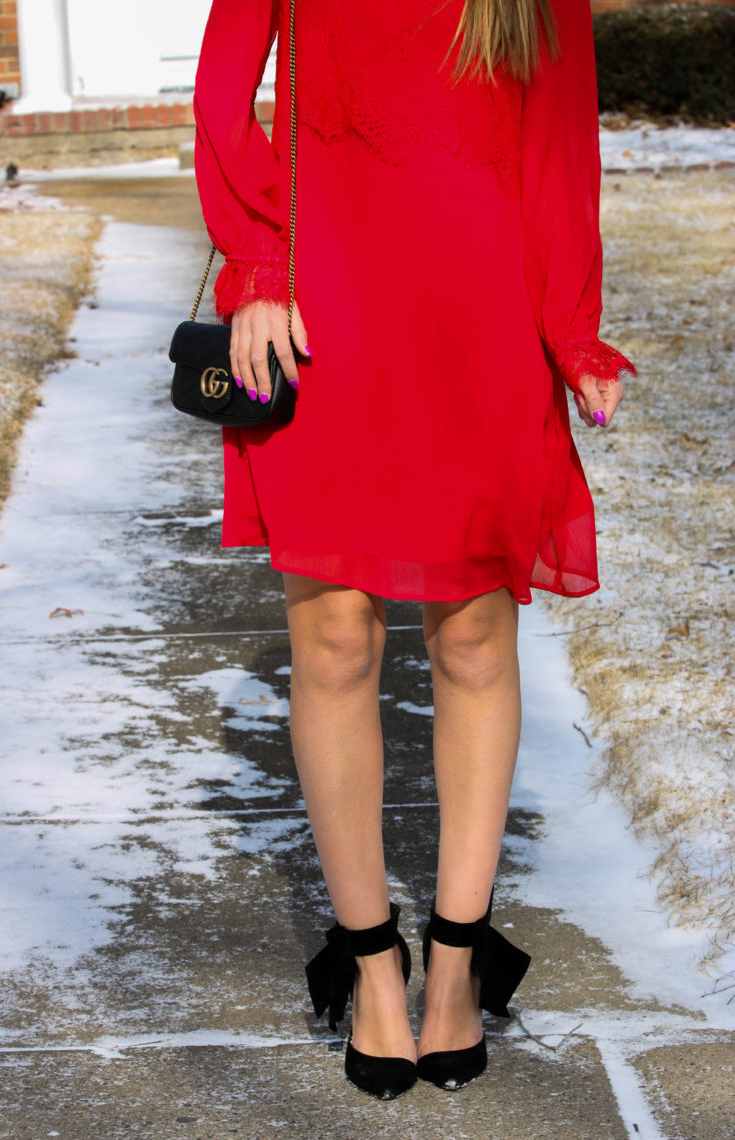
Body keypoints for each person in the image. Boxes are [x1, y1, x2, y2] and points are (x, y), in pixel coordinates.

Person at [193, 0, 636, 1100]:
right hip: (324, 303)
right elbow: (220, 92)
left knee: (476, 642)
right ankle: (368, 965)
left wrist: (570, 327)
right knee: (335, 640)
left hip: (478, 309)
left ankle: (455, 960)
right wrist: (254, 262)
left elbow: (557, 144)